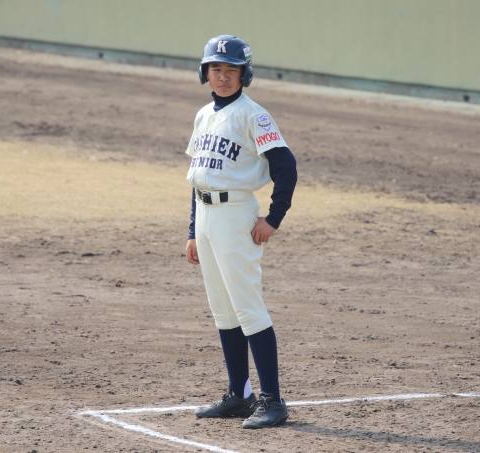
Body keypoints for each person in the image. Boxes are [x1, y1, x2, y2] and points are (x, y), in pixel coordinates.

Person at [184, 35, 297, 429]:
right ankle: (239, 395)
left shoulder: (253, 115)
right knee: (223, 308)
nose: (223, 76)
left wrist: (273, 218)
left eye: (231, 69)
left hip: (235, 216)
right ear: (205, 73)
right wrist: (193, 230)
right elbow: (199, 177)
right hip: (207, 216)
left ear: (244, 74)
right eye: (215, 68)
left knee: (247, 308)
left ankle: (273, 402)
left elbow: (286, 167)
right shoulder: (204, 115)